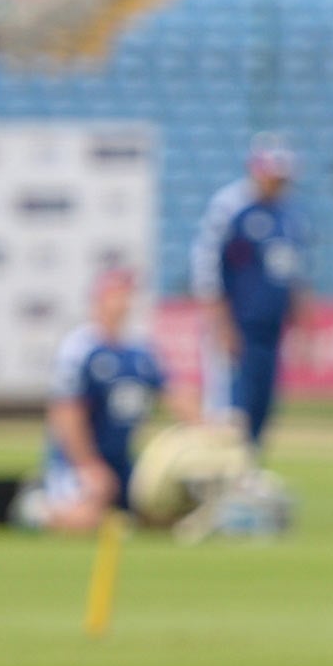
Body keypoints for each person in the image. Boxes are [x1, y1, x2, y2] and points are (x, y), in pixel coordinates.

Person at [26, 266, 171, 534]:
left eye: (127, 295)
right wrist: (87, 466)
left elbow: (172, 394)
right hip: (78, 460)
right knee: (87, 520)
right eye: (117, 295)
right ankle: (40, 508)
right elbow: (66, 413)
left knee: (162, 513)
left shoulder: (139, 352)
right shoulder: (81, 349)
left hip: (123, 460)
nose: (124, 303)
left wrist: (211, 426)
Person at [191, 135, 307, 447]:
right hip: (237, 326)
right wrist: (221, 324)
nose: (278, 184)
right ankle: (220, 477)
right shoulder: (231, 207)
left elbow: (291, 272)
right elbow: (207, 267)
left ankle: (247, 474)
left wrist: (300, 321)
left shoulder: (288, 215)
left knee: (261, 407)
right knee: (229, 408)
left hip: (270, 331)